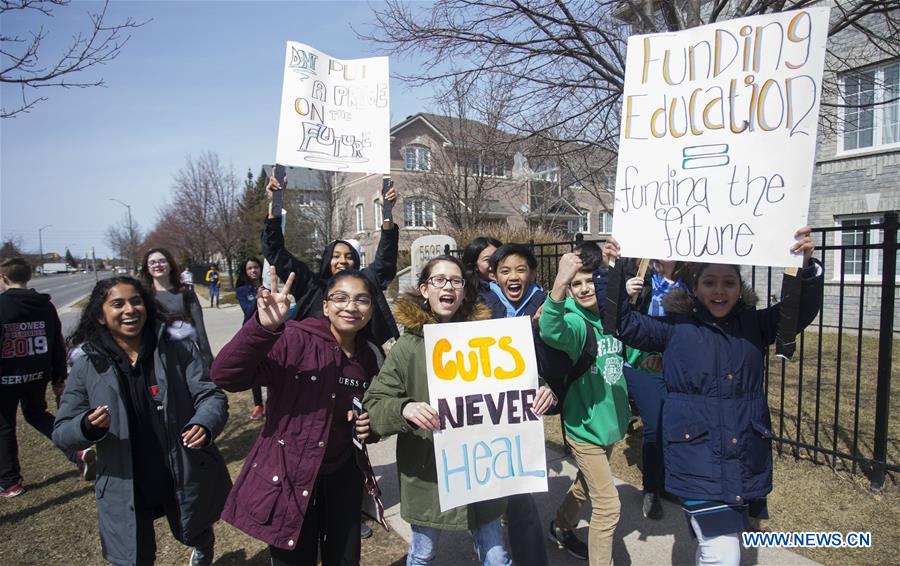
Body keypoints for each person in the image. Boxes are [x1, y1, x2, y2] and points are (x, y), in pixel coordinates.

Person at [606, 227, 822, 565]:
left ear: (740, 288)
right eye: (709, 282)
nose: (719, 291)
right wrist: (614, 270)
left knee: (725, 538)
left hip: (741, 453)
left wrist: (806, 268)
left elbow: (797, 314)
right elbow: (620, 322)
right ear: (694, 288)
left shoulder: (757, 324)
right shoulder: (674, 329)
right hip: (696, 455)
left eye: (729, 282)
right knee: (721, 549)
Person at [364, 256, 555, 565]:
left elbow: (519, 380)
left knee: (497, 557)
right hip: (430, 476)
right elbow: (375, 405)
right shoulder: (409, 346)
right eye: (439, 280)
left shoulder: (487, 338)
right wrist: (405, 408)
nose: (448, 286)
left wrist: (542, 390)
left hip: (482, 472)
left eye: (456, 281)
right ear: (425, 289)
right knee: (423, 554)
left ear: (464, 291)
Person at [53, 277, 231, 566]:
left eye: (136, 301)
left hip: (179, 471)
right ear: (100, 315)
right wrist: (85, 426)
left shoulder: (177, 348)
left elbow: (210, 395)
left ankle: (202, 545)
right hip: (125, 480)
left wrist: (204, 422)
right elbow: (62, 432)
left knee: (193, 531)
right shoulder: (87, 363)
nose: (129, 310)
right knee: (132, 557)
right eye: (117, 304)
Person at [212, 267, 383, 565]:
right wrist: (263, 328)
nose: (351, 306)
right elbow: (225, 375)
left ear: (371, 308)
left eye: (362, 299)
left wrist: (371, 425)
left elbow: (375, 411)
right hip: (291, 476)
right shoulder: (295, 339)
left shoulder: (369, 356)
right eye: (340, 298)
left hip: (344, 478)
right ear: (326, 306)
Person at [539, 251, 641, 565]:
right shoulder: (576, 322)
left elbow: (633, 356)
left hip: (611, 423)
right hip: (584, 428)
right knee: (609, 506)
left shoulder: (613, 316)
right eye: (576, 284)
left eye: (589, 282)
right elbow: (552, 330)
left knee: (585, 486)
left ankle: (560, 525)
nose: (583, 289)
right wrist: (558, 285)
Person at [262, 175, 400, 347]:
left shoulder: (368, 282)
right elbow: (275, 252)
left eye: (349, 257)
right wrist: (275, 203)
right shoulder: (311, 287)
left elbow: (385, 259)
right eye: (336, 256)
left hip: (362, 366)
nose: (342, 261)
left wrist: (387, 213)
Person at [481, 244, 551, 565]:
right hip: (480, 412)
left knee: (521, 493)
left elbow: (559, 359)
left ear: (532, 274)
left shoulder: (546, 305)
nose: (513, 276)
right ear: (493, 275)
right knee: (484, 494)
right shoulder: (479, 303)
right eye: (505, 270)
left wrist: (550, 387)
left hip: (522, 414)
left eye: (521, 270)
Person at [1, 258, 94, 497]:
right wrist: (58, 376)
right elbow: (56, 343)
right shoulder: (45, 305)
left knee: (4, 427)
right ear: (28, 276)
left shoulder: (2, 305)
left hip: (6, 377)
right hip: (38, 374)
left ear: (3, 279)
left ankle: (10, 482)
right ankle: (77, 453)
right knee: (37, 414)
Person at [621, 259, 692, 520]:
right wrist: (624, 288)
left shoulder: (691, 279)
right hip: (642, 360)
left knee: (674, 423)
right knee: (655, 423)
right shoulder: (639, 274)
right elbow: (619, 314)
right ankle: (651, 488)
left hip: (677, 361)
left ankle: (667, 483)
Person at [140, 248, 213, 367]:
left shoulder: (185, 293)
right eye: (153, 262)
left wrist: (207, 358)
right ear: (147, 268)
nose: (158, 265)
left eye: (162, 261)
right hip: (155, 357)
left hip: (186, 354)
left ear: (171, 265)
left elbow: (199, 330)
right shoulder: (142, 296)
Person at [234, 257, 266, 420]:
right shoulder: (242, 290)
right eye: (250, 268)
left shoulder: (268, 284)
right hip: (252, 331)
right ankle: (258, 404)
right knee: (255, 367)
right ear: (245, 272)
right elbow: (247, 311)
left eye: (256, 267)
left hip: (271, 330)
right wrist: (258, 296)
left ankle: (276, 401)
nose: (253, 271)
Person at [461, 236, 501, 303]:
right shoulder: (470, 294)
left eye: (498, 258)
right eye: (487, 260)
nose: (495, 264)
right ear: (475, 265)